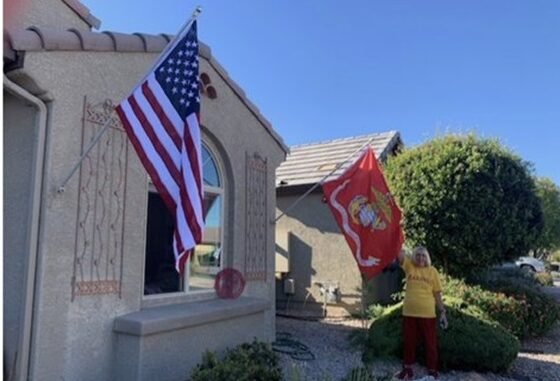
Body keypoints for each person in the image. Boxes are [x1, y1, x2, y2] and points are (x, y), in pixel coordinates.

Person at [396, 246, 448, 380]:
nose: (420, 258)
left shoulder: (433, 272)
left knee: (430, 343)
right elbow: (399, 254)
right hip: (409, 312)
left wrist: (442, 311)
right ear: (414, 256)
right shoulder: (409, 266)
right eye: (418, 255)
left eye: (423, 255)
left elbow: (437, 293)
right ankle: (407, 369)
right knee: (409, 342)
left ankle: (432, 371)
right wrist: (398, 235)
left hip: (428, 314)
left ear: (427, 257)